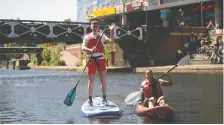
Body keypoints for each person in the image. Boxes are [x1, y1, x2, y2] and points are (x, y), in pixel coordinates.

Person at [81, 20, 115, 106]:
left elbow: (111, 41)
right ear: (91, 27)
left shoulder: (102, 36)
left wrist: (111, 31)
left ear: (99, 27)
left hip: (100, 59)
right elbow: (82, 47)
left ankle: (104, 98)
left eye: (96, 26)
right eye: (93, 26)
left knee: (103, 81)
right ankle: (90, 99)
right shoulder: (87, 37)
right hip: (91, 60)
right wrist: (90, 50)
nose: (95, 27)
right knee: (91, 81)